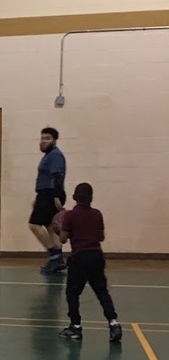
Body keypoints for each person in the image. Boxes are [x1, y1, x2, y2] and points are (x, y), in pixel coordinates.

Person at [56, 182, 121, 343]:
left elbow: (63, 239)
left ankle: (76, 327)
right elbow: (101, 237)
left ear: (74, 197)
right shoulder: (97, 214)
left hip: (79, 258)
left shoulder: (70, 215)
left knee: (73, 293)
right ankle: (114, 323)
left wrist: (59, 229)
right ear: (91, 198)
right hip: (97, 256)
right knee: (101, 291)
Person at [29, 126, 67, 275]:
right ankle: (58, 260)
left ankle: (54, 255)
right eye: (42, 138)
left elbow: (58, 176)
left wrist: (56, 197)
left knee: (34, 225)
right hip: (45, 194)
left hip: (50, 194)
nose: (43, 141)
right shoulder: (49, 155)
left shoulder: (55, 155)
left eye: (47, 138)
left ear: (54, 141)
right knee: (50, 227)